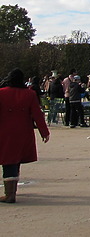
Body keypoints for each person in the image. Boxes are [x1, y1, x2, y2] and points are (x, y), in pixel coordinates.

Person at [0, 68, 50, 204]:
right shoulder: (30, 94)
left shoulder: (1, 93)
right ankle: (12, 191)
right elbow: (37, 115)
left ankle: (9, 194)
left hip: (4, 131)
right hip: (23, 131)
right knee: (15, 161)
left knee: (7, 161)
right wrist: (44, 132)